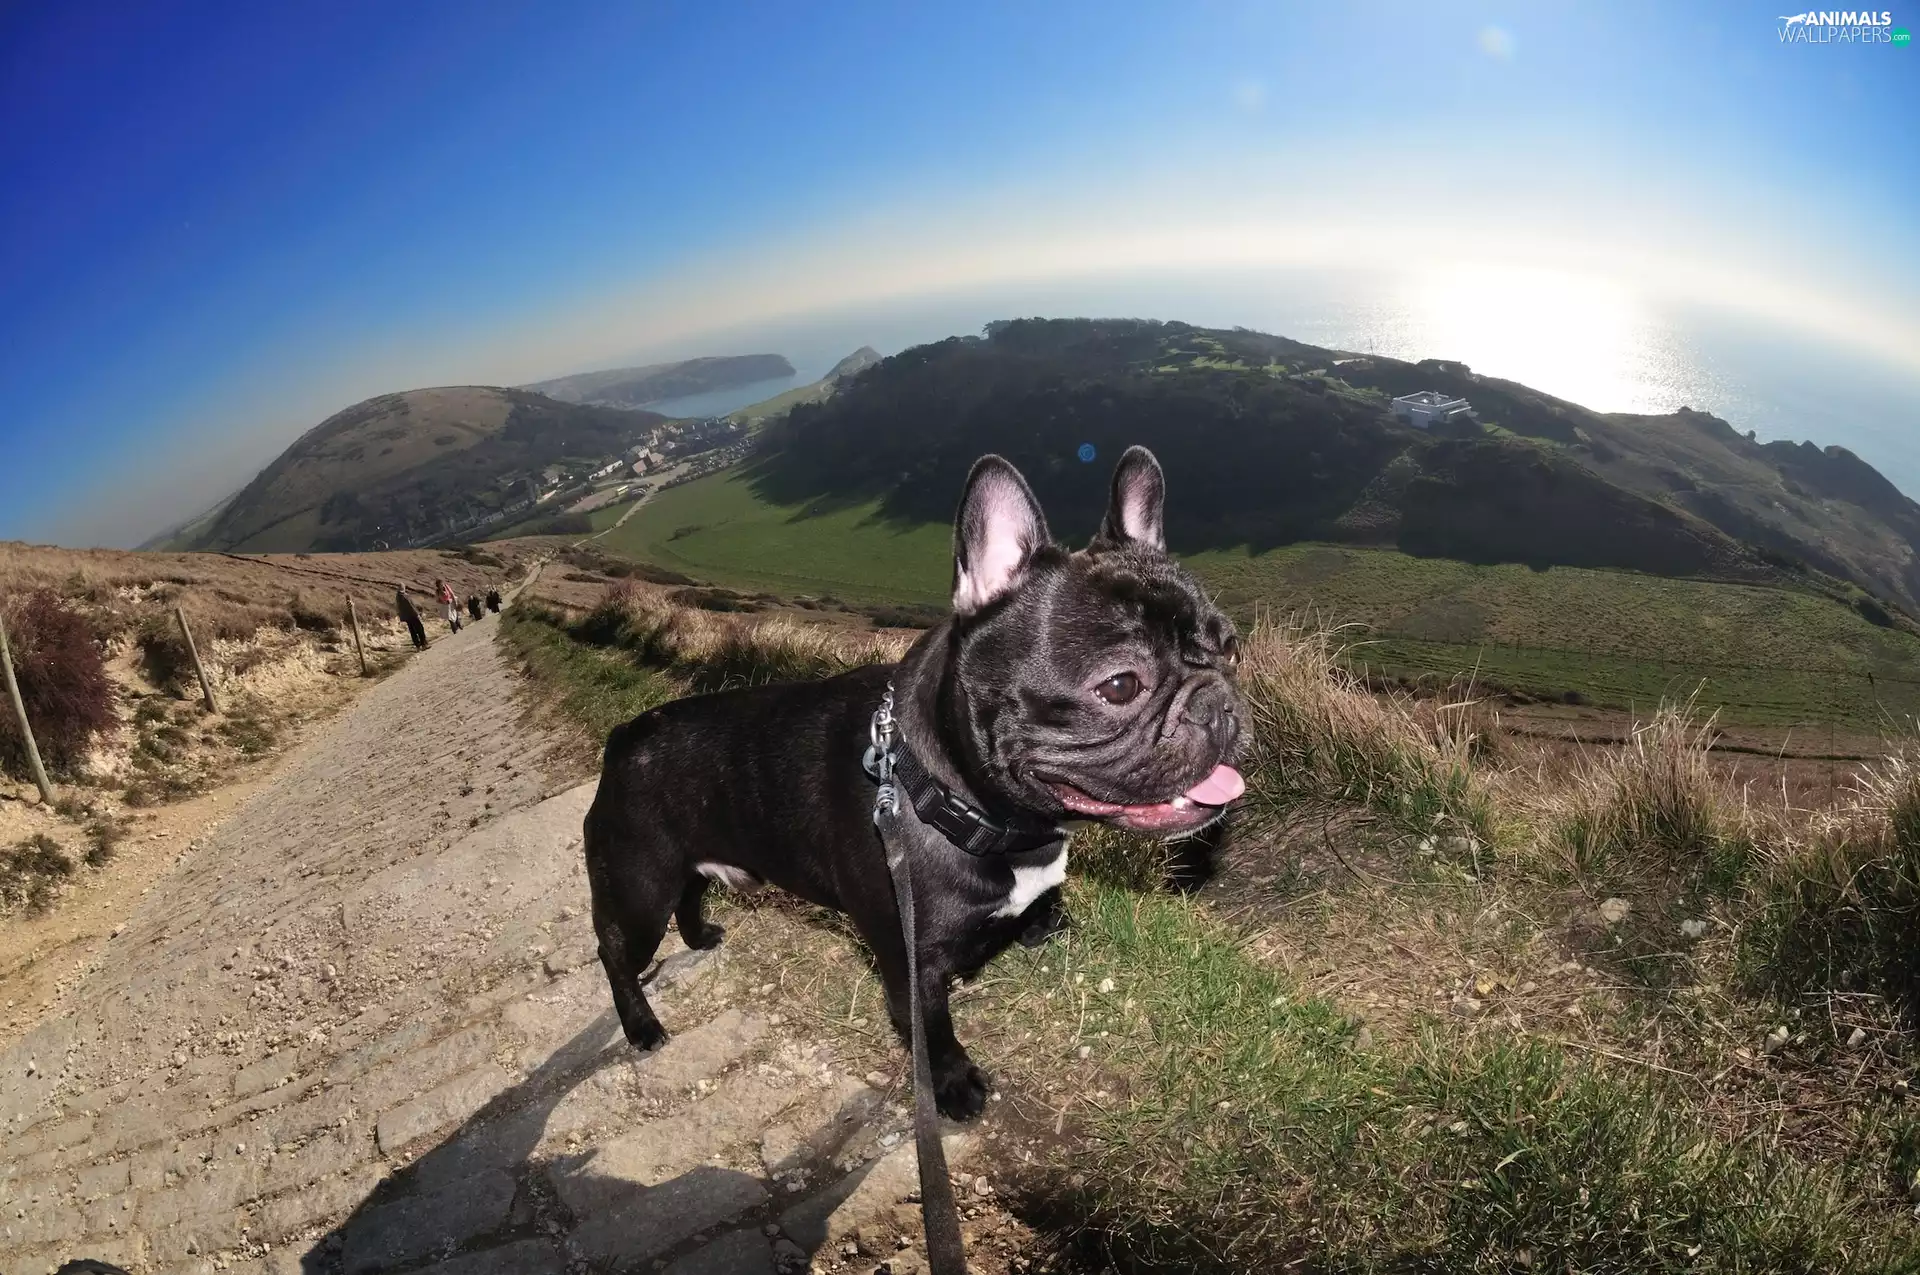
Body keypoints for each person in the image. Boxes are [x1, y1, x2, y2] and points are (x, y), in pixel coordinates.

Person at [395, 584, 428, 650]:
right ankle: (423, 644)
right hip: (412, 615)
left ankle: (418, 646)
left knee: (412, 631)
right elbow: (411, 606)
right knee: (420, 629)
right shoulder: (404, 596)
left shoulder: (398, 597)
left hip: (406, 617)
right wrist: (417, 614)